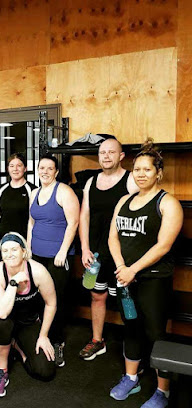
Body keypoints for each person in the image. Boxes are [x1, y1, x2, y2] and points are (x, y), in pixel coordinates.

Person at [108, 140, 183, 408]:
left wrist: (133, 270)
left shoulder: (168, 203)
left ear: (158, 173)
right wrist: (121, 267)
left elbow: (163, 246)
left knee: (155, 333)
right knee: (130, 326)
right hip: (126, 278)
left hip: (153, 280)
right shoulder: (124, 200)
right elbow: (113, 237)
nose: (140, 174)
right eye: (136, 169)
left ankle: (163, 391)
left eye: (147, 169)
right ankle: (131, 378)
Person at [78, 137, 138, 361]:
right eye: (102, 152)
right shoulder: (90, 182)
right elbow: (84, 216)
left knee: (126, 299)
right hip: (95, 253)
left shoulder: (131, 181)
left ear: (121, 156)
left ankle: (134, 347)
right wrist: (85, 248)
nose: (106, 156)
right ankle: (97, 340)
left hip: (122, 255)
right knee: (97, 295)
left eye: (111, 152)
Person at [0, 232, 56, 398]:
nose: (9, 254)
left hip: (28, 323)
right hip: (3, 322)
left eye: (14, 249)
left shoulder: (38, 271)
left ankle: (17, 347)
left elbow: (51, 304)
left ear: (23, 251)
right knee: (0, 323)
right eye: (5, 251)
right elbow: (2, 312)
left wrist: (43, 335)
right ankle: (1, 370)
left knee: (45, 371)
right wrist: (13, 283)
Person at [27, 154, 79, 367]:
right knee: (39, 296)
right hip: (37, 254)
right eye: (42, 168)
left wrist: (63, 251)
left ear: (56, 172)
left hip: (57, 256)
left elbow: (73, 222)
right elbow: (31, 222)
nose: (45, 172)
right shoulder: (34, 192)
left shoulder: (64, 191)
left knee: (55, 298)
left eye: (50, 168)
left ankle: (57, 342)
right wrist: (28, 248)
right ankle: (43, 335)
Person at [0, 153, 37, 261]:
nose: (15, 169)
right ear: (8, 169)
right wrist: (2, 231)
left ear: (25, 168)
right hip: (4, 240)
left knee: (24, 270)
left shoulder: (32, 190)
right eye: (12, 166)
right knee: (4, 269)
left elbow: (34, 218)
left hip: (24, 241)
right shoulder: (1, 189)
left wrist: (29, 241)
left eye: (19, 165)